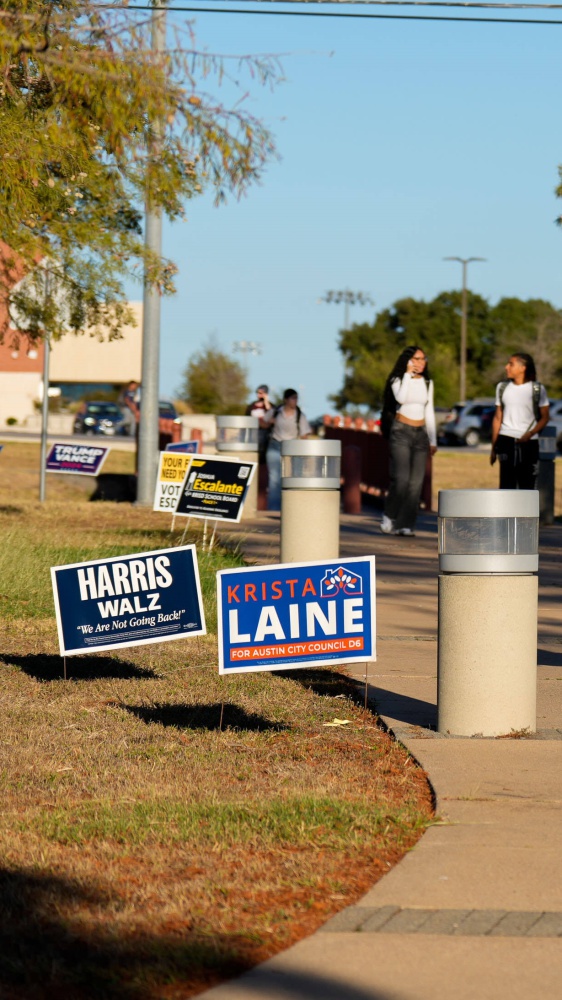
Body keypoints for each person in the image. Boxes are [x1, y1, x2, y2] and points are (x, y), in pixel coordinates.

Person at [380, 346, 437, 536]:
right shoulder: (397, 380)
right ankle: (389, 514)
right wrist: (407, 375)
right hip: (401, 432)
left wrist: (433, 439)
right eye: (416, 359)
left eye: (423, 359)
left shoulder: (428, 383)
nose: (420, 363)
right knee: (402, 479)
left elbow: (429, 411)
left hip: (420, 434)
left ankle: (405, 524)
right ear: (407, 361)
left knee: (416, 483)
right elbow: (402, 398)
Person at [490, 353, 549, 489]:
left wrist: (530, 433)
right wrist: (494, 447)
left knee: (527, 483)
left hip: (529, 442)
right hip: (506, 439)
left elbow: (545, 417)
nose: (506, 367)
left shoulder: (537, 389)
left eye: (511, 364)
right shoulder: (502, 388)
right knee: (506, 483)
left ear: (523, 368)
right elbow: (498, 417)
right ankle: (506, 511)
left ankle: (526, 511)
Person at [262, 388, 311, 510]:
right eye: (293, 398)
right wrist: (270, 423)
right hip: (274, 445)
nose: (295, 401)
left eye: (296, 398)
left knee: (290, 478)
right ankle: (273, 509)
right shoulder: (276, 412)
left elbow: (304, 435)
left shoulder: (300, 416)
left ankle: (291, 509)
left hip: (292, 448)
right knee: (274, 479)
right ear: (285, 399)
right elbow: (263, 423)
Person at [246, 384, 273, 461]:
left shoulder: (270, 406)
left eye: (261, 393)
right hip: (253, 435)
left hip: (266, 437)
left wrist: (266, 401)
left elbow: (271, 414)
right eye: (258, 393)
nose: (259, 395)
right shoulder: (251, 406)